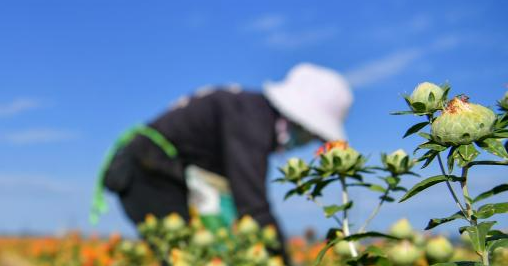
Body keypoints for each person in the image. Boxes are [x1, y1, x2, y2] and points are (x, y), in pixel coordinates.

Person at [91, 63, 353, 239]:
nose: (309, 142)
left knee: (203, 260)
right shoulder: (251, 121)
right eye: (312, 134)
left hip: (158, 171)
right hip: (146, 174)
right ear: (297, 119)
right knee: (193, 265)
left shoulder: (250, 112)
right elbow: (253, 204)